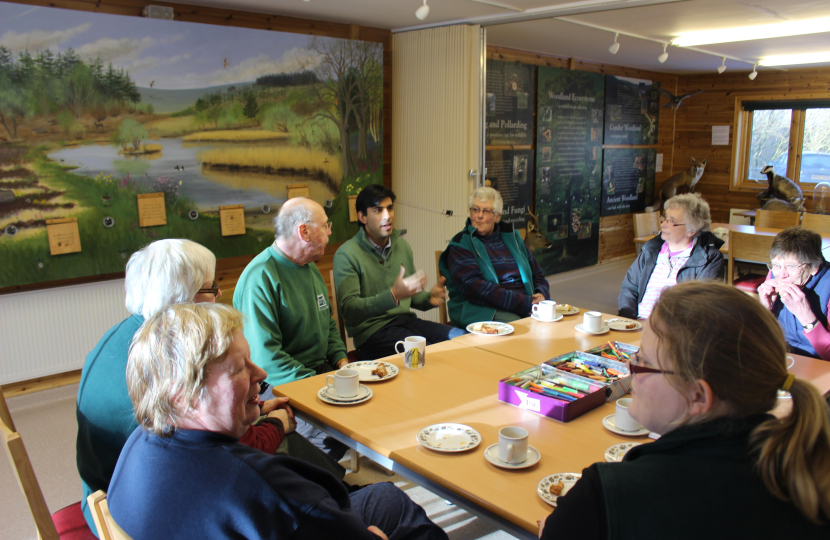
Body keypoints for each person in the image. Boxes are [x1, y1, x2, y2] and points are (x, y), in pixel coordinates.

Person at [108, 303, 449, 540]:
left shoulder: (137, 444)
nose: (260, 374)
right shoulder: (259, 486)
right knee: (390, 501)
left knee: (382, 497)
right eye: (239, 368)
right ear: (182, 394)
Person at [76, 239, 338, 535]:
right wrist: (276, 424)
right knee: (286, 446)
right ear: (183, 298)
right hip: (153, 510)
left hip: (124, 494)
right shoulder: (164, 362)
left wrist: (258, 408)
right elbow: (222, 451)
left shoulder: (130, 337)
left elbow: (198, 419)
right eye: (211, 288)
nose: (219, 293)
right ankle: (336, 501)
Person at [540, 282, 830, 539]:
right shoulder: (807, 475)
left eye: (643, 362)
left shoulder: (605, 498)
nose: (630, 369)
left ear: (698, 395)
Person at [234, 197, 349, 459]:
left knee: (367, 406)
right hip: (278, 382)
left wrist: (343, 364)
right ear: (304, 231)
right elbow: (267, 359)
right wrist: (322, 385)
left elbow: (328, 324)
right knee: (334, 430)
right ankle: (316, 485)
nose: (330, 231)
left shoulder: (309, 267)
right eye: (325, 225)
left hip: (316, 372)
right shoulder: (260, 277)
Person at [333, 184, 461, 360]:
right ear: (362, 217)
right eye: (378, 210)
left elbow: (411, 297)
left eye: (390, 208)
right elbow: (349, 309)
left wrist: (428, 299)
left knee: (461, 339)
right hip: (372, 335)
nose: (387, 216)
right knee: (428, 356)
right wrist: (392, 295)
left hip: (407, 323)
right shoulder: (347, 254)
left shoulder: (402, 246)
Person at [439, 186, 550, 327]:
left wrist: (542, 295)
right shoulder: (460, 244)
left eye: (486, 211)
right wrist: (526, 304)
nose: (479, 215)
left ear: (497, 216)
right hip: (480, 309)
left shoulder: (514, 239)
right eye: (475, 209)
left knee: (557, 323)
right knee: (523, 327)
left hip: (525, 305)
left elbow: (538, 275)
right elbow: (477, 289)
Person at [618, 193, 724, 319]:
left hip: (674, 330)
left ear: (692, 230)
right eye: (665, 218)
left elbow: (701, 305)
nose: (663, 224)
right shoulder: (650, 251)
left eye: (672, 221)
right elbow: (629, 290)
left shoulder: (709, 259)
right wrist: (627, 322)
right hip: (638, 324)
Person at [757, 227, 830, 360]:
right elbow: (761, 336)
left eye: (791, 266)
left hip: (818, 361)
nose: (782, 274)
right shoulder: (775, 273)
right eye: (776, 265)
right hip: (781, 353)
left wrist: (805, 315)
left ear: (813, 267)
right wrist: (765, 309)